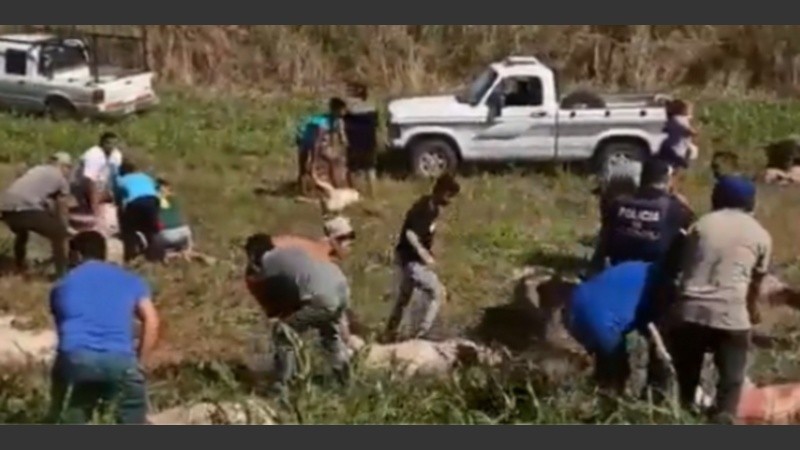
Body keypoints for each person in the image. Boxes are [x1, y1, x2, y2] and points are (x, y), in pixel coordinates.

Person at [668, 175, 770, 424]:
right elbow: (755, 284)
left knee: (687, 376)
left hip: (690, 311)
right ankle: (723, 418)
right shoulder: (760, 234)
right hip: (730, 315)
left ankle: (684, 411)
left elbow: (681, 267)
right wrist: (752, 311)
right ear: (751, 203)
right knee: (732, 380)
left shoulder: (700, 225)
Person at [47, 230, 160, 424]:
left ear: (77, 255)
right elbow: (152, 320)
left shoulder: (61, 286)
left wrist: (57, 400)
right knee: (132, 413)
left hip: (77, 360)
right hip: (121, 361)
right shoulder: (130, 280)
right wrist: (139, 364)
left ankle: (60, 418)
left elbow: (63, 340)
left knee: (77, 403)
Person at [251, 246, 352, 397]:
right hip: (341, 290)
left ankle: (283, 385)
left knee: (284, 332)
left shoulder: (268, 261)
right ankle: (345, 382)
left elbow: (276, 294)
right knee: (330, 336)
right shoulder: (296, 252)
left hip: (322, 298)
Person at [566, 260, 673, 395]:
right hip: (601, 319)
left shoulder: (642, 269)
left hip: (574, 304)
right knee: (615, 376)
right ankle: (609, 404)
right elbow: (656, 326)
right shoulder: (660, 282)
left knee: (604, 367)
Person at [384, 174, 461, 342]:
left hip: (410, 260)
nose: (450, 201)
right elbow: (410, 233)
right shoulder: (425, 208)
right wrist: (423, 253)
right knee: (438, 293)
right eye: (449, 196)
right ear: (441, 191)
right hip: (411, 261)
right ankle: (421, 333)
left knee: (404, 299)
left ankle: (390, 332)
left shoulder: (431, 207)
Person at [593, 158, 694, 272]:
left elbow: (606, 235)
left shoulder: (618, 203)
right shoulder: (673, 207)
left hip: (617, 266)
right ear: (667, 180)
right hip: (655, 272)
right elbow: (689, 225)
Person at [0, 152, 74, 276]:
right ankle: (62, 274)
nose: (68, 171)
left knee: (22, 231)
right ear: (63, 166)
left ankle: (19, 264)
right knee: (59, 234)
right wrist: (65, 226)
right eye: (68, 168)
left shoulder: (37, 169)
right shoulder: (61, 179)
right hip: (24, 208)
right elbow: (62, 208)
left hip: (5, 207)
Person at [295, 98, 348, 196]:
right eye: (342, 110)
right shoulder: (323, 123)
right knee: (304, 166)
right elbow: (317, 142)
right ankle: (302, 191)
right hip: (305, 139)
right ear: (334, 109)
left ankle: (334, 187)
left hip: (318, 141)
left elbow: (342, 138)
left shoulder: (339, 121)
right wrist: (314, 160)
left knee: (332, 162)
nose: (344, 112)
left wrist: (344, 151)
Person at [114, 161, 161, 262]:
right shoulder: (144, 176)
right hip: (153, 200)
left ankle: (130, 254)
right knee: (151, 229)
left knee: (128, 228)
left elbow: (117, 198)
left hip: (136, 202)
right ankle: (156, 256)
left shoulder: (121, 180)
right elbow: (157, 187)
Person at [72, 132, 123, 216]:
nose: (111, 146)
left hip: (102, 186)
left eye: (114, 144)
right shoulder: (94, 155)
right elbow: (90, 180)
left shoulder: (116, 155)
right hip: (83, 185)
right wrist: (94, 206)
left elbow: (115, 176)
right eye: (108, 143)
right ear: (101, 143)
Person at [344, 82, 379, 193]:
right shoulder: (372, 109)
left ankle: (355, 193)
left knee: (352, 170)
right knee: (370, 169)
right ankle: (373, 194)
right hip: (369, 142)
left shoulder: (349, 111)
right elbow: (376, 124)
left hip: (354, 143)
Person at [153, 178, 193, 259]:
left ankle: (166, 255)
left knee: (151, 234)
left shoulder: (153, 201)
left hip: (166, 235)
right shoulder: (174, 200)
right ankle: (188, 250)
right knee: (187, 229)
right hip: (184, 233)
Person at [656, 99, 699, 171]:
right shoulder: (678, 119)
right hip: (674, 151)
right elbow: (691, 132)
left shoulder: (676, 119)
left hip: (675, 149)